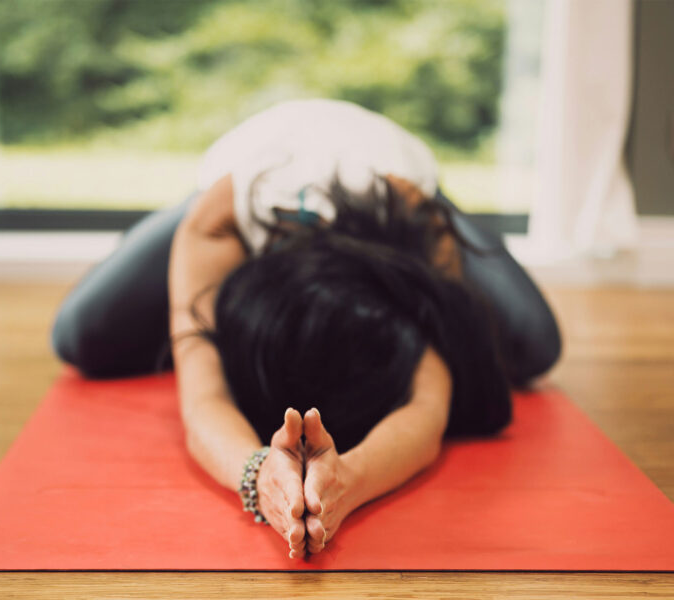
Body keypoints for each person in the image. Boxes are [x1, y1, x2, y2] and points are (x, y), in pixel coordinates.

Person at [51, 98, 561, 560]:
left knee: (535, 346)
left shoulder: (413, 225)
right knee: (79, 336)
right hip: (247, 158)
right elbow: (202, 397)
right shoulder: (219, 221)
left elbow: (429, 404)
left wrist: (347, 483)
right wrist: (258, 477)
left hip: (395, 168)